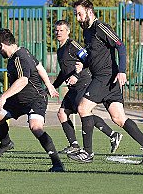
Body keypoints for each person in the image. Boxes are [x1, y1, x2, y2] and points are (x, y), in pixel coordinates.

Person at [68, 0, 143, 164]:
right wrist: (84, 63)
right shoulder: (87, 32)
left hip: (106, 77)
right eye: (76, 14)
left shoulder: (100, 27)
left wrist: (122, 71)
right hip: (105, 79)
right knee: (118, 118)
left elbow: (120, 45)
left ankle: (87, 153)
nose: (78, 18)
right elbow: (95, 56)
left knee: (83, 108)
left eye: (80, 14)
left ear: (89, 11)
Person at [0, 28, 64, 172]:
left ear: (3, 44)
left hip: (35, 99)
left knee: (36, 127)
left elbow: (23, 80)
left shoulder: (19, 57)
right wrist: (49, 84)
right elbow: (39, 66)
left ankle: (57, 164)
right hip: (18, 100)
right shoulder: (23, 52)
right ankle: (6, 143)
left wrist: (3, 97)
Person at [52, 20, 123, 154]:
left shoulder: (73, 45)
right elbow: (64, 72)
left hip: (84, 83)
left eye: (61, 30)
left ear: (68, 31)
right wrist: (52, 86)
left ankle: (112, 134)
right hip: (73, 88)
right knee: (62, 113)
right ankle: (74, 145)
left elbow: (87, 60)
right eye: (56, 30)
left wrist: (77, 76)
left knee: (84, 112)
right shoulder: (60, 50)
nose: (58, 33)